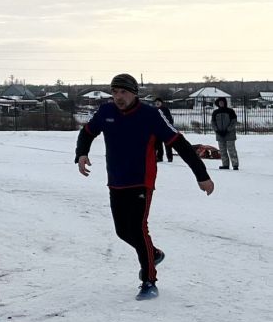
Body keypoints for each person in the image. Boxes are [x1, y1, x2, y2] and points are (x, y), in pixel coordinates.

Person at [75, 73, 214, 300]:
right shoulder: (106, 112)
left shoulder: (151, 115)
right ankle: (153, 253)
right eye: (115, 92)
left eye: (123, 92)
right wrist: (81, 153)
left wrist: (202, 175)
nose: (118, 97)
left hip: (141, 181)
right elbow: (87, 133)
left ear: (134, 93)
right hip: (116, 180)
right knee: (122, 231)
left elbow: (180, 144)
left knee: (139, 229)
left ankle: (149, 280)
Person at [211, 97, 239, 170]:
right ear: (218, 104)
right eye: (220, 103)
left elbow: (234, 122)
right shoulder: (215, 112)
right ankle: (225, 165)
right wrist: (217, 131)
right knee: (222, 151)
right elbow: (213, 123)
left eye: (222, 102)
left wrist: (228, 130)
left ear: (225, 103)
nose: (221, 104)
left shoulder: (230, 111)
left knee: (231, 150)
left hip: (230, 134)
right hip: (220, 135)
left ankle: (235, 165)